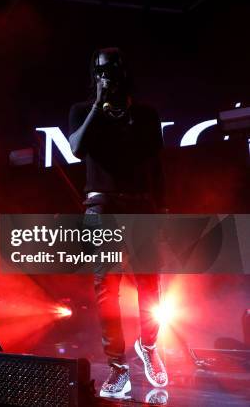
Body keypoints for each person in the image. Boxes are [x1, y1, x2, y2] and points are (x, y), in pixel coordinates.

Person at [68, 47, 168, 398]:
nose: (105, 76)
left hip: (141, 207)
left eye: (110, 70)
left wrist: (163, 209)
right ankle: (118, 368)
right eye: (99, 71)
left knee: (150, 286)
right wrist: (98, 105)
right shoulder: (82, 111)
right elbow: (76, 149)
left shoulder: (145, 115)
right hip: (101, 209)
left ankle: (149, 347)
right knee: (108, 291)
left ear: (124, 72)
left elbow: (155, 164)